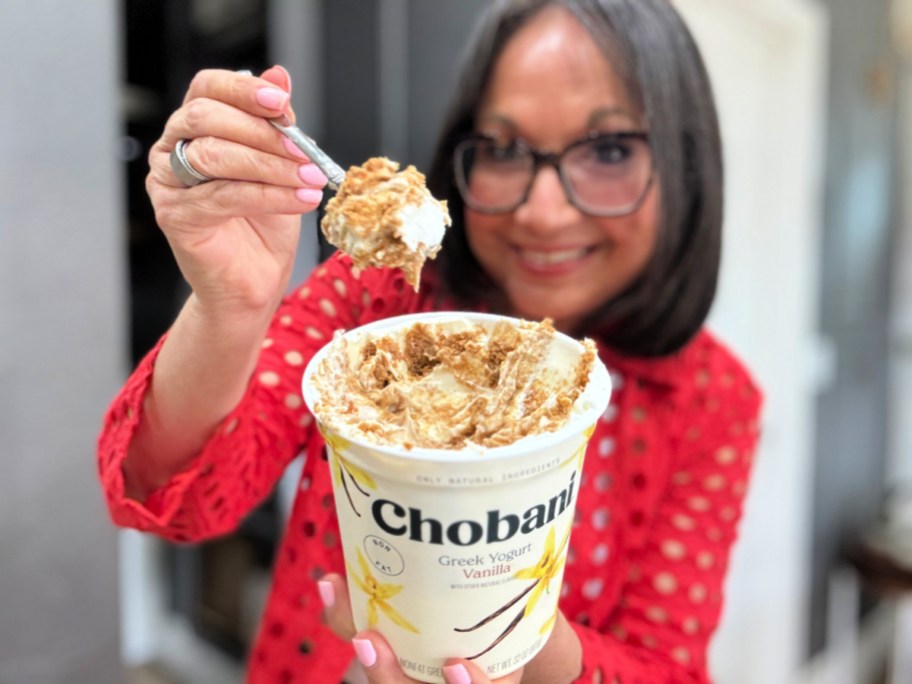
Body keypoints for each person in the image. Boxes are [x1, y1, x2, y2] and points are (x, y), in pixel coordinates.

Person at [97, 0, 763, 682]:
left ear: (683, 167)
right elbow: (173, 492)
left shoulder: (711, 400)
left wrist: (522, 650)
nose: (543, 210)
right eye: (503, 149)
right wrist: (228, 308)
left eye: (610, 150)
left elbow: (668, 665)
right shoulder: (382, 302)